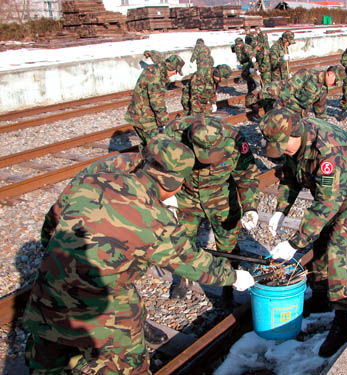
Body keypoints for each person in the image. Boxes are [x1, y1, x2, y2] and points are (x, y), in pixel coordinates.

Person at [23, 135, 255, 375]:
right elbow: (193, 263)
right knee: (129, 365)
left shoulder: (93, 181)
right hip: (103, 315)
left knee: (47, 366)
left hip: (45, 299)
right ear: (176, 185)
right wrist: (234, 277)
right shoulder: (155, 218)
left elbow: (49, 230)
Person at [258, 112, 347, 358]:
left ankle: (342, 319)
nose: (280, 151)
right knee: (320, 243)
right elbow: (290, 177)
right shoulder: (293, 145)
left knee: (335, 250)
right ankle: (321, 297)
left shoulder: (328, 151)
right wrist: (281, 210)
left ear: (296, 134)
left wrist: (294, 243)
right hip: (329, 193)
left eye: (282, 146)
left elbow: (326, 205)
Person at [163, 116, 261, 305]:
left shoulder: (235, 140)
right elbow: (160, 166)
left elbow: (246, 175)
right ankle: (184, 278)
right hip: (186, 194)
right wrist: (168, 197)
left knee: (228, 241)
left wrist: (250, 206)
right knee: (183, 239)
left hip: (221, 195)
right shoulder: (173, 134)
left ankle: (228, 283)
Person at [125, 54, 185, 148]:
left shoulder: (156, 68)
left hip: (138, 113)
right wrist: (165, 122)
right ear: (171, 68)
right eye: (176, 71)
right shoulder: (156, 77)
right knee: (155, 147)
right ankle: (149, 161)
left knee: (147, 145)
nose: (175, 74)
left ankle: (144, 159)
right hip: (144, 117)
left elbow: (156, 55)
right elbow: (157, 102)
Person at [262, 65, 346, 118]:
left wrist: (323, 128)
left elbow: (320, 109)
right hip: (277, 99)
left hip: (297, 113)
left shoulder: (323, 89)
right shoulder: (307, 75)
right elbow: (285, 93)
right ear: (330, 74)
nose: (334, 85)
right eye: (335, 82)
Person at [232, 37, 260, 110]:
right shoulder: (237, 47)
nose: (237, 45)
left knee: (246, 76)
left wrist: (254, 67)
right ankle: (250, 92)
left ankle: (253, 88)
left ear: (241, 43)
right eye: (237, 44)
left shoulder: (246, 48)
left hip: (249, 64)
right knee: (247, 79)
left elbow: (252, 57)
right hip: (244, 64)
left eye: (238, 44)